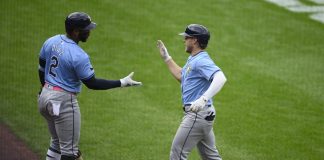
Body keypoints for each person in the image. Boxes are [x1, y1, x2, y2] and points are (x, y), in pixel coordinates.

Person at [38, 12, 142, 160]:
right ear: (75, 31)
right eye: (86, 29)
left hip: (44, 97)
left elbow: (41, 68)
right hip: (63, 102)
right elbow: (92, 83)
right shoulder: (79, 55)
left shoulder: (51, 41)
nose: (90, 31)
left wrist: (44, 89)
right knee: (69, 153)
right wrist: (122, 82)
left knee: (56, 144)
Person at [157, 24, 227, 160]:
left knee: (177, 154)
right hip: (204, 115)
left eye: (186, 37)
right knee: (210, 157)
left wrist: (203, 99)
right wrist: (167, 58)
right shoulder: (194, 59)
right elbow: (182, 77)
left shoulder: (201, 61)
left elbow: (221, 78)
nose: (184, 40)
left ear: (194, 40)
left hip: (197, 114)